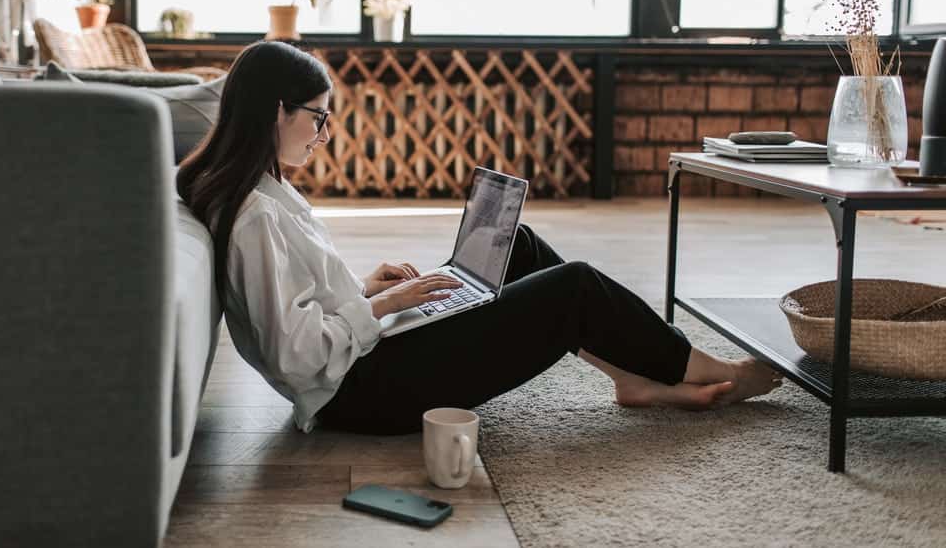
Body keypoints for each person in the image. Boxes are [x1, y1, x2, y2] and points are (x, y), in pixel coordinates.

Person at [177, 41, 782, 435]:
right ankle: (704, 368)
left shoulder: (265, 191)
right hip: (358, 394)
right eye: (319, 117)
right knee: (574, 288)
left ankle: (631, 377)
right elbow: (297, 356)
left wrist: (366, 287)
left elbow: (297, 307)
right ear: (276, 111)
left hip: (363, 359)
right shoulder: (257, 215)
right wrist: (382, 307)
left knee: (515, 245)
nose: (325, 134)